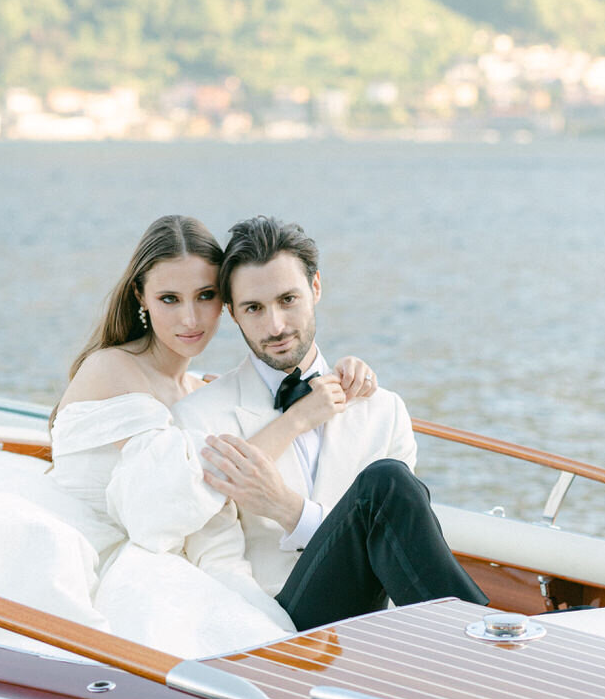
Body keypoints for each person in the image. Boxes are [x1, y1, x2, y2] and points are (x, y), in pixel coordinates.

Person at [48, 213, 380, 655]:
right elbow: (176, 496)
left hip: (185, 551)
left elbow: (211, 513)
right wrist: (298, 419)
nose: (190, 318)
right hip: (100, 552)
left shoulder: (197, 391)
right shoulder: (112, 369)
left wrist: (346, 373)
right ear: (139, 297)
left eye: (205, 296)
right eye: (169, 298)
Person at [172, 215, 487, 631]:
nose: (276, 326)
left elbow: (404, 545)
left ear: (316, 287)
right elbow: (214, 562)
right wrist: (261, 643)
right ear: (232, 313)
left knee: (387, 483)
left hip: (375, 623)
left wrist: (290, 511)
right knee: (385, 482)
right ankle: (489, 641)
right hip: (276, 624)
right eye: (254, 308)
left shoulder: (383, 411)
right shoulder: (201, 417)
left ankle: (479, 643)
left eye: (288, 300)